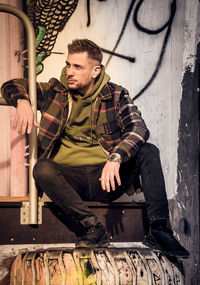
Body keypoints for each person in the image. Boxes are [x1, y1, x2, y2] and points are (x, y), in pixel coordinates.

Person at [1, 39, 189, 258]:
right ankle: (93, 227)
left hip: (106, 178)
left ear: (95, 71)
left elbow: (138, 128)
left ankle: (159, 229)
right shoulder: (55, 92)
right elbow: (10, 85)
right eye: (68, 64)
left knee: (149, 150)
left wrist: (116, 156)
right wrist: (23, 101)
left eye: (78, 67)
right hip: (70, 180)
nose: (69, 72)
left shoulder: (116, 95)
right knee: (41, 168)